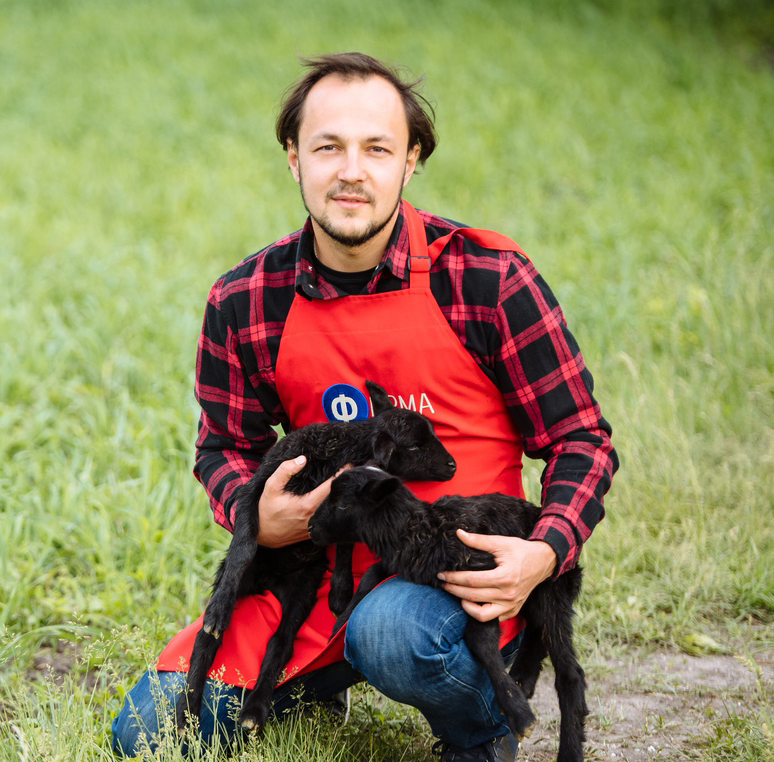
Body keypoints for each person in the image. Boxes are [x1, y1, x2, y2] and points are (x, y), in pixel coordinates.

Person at [111, 52, 618, 762]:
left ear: (410, 161)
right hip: (318, 576)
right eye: (328, 147)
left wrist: (545, 550)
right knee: (144, 735)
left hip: (456, 572)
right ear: (294, 159)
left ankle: (484, 725)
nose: (352, 170)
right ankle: (317, 681)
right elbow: (221, 448)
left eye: (377, 148)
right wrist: (253, 513)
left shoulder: (489, 278)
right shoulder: (246, 299)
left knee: (393, 636)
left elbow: (582, 440)